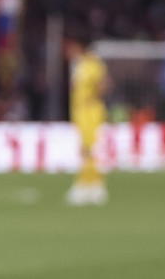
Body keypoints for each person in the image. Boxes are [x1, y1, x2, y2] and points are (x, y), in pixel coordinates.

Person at [64, 31, 109, 206]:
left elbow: (104, 82)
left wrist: (92, 98)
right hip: (80, 112)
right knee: (85, 149)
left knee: (88, 149)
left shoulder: (92, 63)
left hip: (90, 112)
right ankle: (90, 185)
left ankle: (90, 185)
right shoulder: (79, 64)